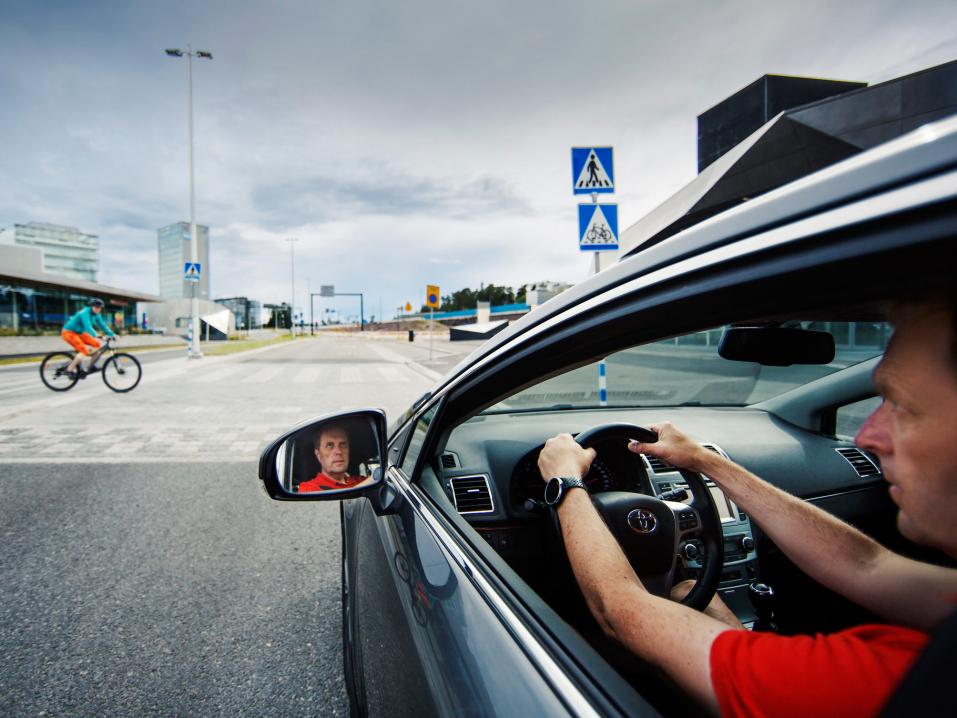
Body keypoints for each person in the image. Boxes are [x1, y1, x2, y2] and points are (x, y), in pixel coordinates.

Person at [537, 293, 957, 717]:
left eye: (902, 406)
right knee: (687, 590)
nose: (867, 435)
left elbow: (619, 612)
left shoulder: (867, 682)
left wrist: (566, 484)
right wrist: (705, 461)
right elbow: (867, 564)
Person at [297, 424, 371, 492]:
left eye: (343, 445)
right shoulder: (308, 488)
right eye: (330, 445)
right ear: (318, 454)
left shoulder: (361, 480)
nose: (338, 451)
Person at [61, 298, 116, 379]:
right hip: (69, 332)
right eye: (96, 307)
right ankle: (69, 370)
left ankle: (91, 367)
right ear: (92, 306)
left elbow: (103, 325)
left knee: (97, 345)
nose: (98, 309)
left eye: (100, 307)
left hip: (80, 333)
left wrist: (112, 334)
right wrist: (97, 335)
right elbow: (88, 326)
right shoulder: (84, 313)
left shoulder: (96, 315)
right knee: (83, 350)